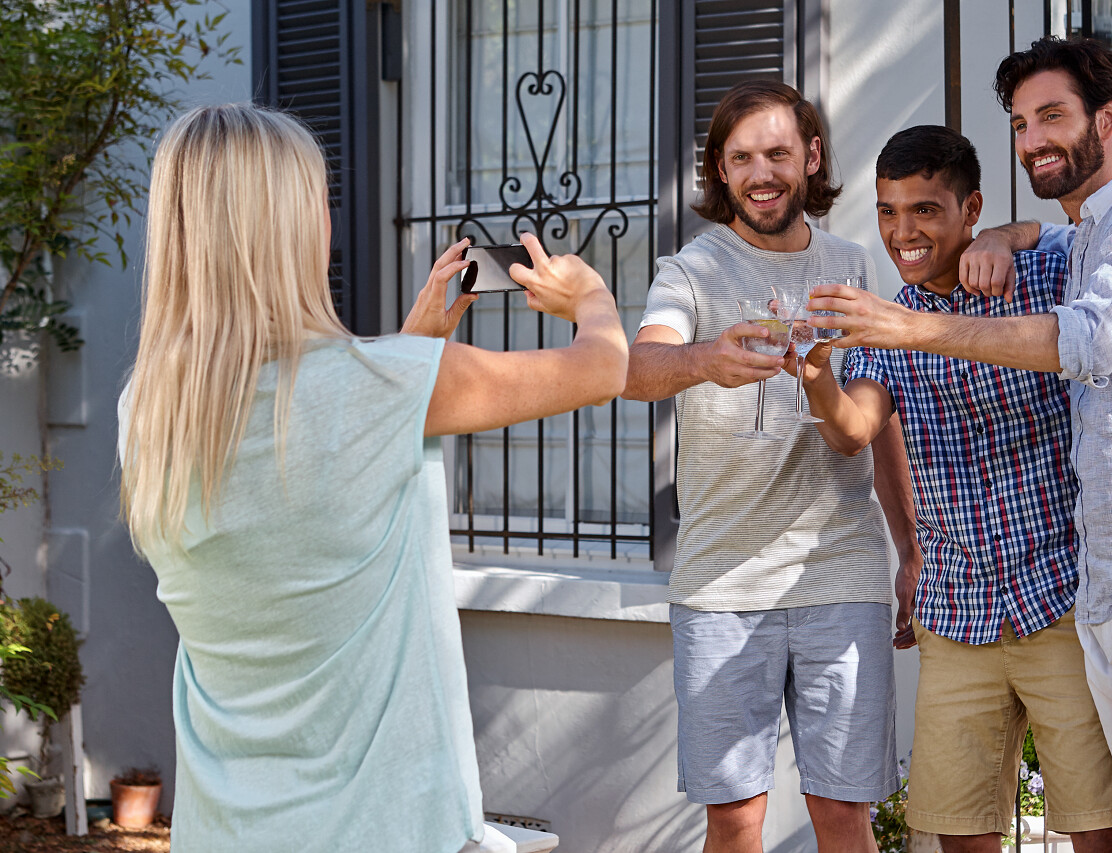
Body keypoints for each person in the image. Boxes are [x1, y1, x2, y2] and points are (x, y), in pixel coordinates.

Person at [117, 103, 628, 853]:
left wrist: (408, 350)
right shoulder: (386, 388)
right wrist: (589, 296)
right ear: (293, 230)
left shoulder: (148, 409)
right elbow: (603, 366)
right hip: (389, 828)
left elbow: (299, 455)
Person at [810, 38, 1112, 853]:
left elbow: (1086, 339)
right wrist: (813, 369)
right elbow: (855, 426)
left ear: (1109, 116)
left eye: (1050, 116)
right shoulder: (1085, 238)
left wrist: (925, 316)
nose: (1033, 139)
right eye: (1021, 124)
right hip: (1093, 596)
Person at [797, 124, 1112, 853]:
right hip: (956, 609)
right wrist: (816, 372)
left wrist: (1010, 236)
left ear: (969, 208)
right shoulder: (884, 323)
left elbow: (1084, 231)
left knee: (1099, 828)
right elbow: (855, 429)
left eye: (924, 209)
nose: (902, 231)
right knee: (957, 833)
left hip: (1061, 599)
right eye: (888, 211)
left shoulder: (1035, 275)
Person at [621, 80, 917, 853]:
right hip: (722, 584)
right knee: (735, 818)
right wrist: (703, 359)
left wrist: (910, 550)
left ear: (810, 157)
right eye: (743, 157)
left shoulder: (852, 266)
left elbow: (877, 423)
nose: (762, 173)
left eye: (779, 153)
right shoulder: (689, 270)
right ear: (720, 170)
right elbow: (638, 369)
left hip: (841, 574)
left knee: (844, 813)